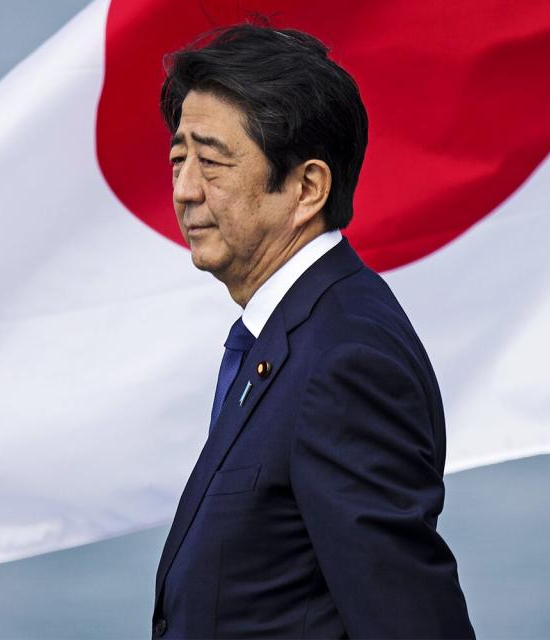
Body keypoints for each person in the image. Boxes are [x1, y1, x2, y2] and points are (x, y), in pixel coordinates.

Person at [152, 24, 475, 639]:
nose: (185, 189)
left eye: (211, 163)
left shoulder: (345, 359)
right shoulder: (293, 333)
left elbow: (410, 622)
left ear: (306, 188)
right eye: (177, 158)